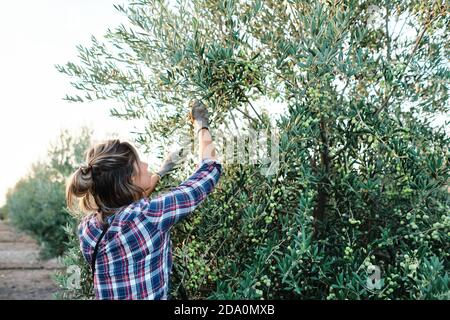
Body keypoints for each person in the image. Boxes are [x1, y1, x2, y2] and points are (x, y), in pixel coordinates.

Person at [66, 100, 222, 299]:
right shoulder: (150, 216)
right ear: (130, 180)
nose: (147, 164)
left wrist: (162, 170)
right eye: (140, 162)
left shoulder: (87, 231)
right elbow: (209, 170)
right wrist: (201, 122)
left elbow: (123, 215)